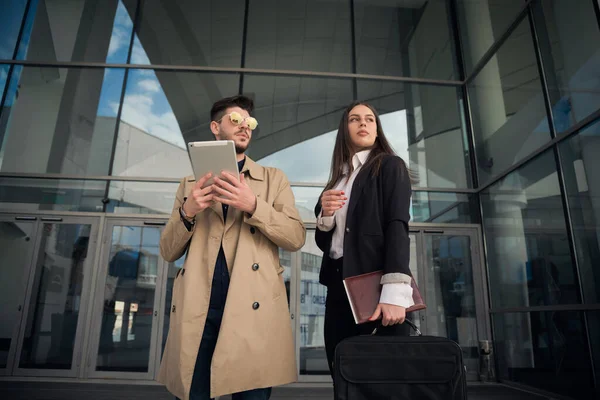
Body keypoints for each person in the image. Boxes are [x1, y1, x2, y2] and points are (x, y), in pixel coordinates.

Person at [158, 95, 306, 400]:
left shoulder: (273, 179)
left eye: (249, 122)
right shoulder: (189, 184)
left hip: (253, 307)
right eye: (235, 120)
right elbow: (168, 251)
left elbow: (295, 237)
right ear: (216, 127)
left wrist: (253, 205)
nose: (245, 127)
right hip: (198, 308)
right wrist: (187, 212)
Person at [314, 101, 416, 378]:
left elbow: (397, 226)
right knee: (343, 375)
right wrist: (325, 216)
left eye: (370, 119)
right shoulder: (337, 179)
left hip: (375, 287)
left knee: (382, 380)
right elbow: (326, 244)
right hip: (337, 288)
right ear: (344, 130)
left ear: (377, 129)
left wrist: (395, 293)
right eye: (355, 119)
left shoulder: (389, 166)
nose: (363, 123)